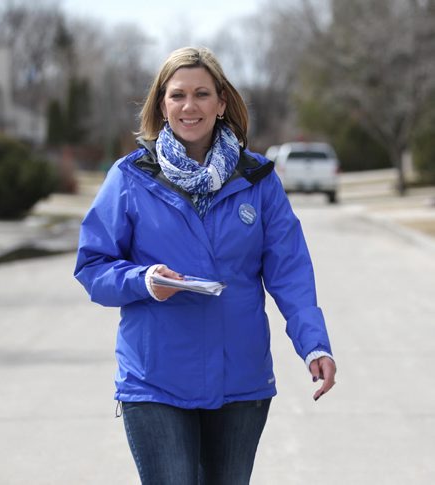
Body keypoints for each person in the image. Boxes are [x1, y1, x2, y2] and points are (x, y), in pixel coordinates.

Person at [74, 46, 336, 485]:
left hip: (241, 379)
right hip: (155, 378)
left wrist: (315, 344)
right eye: (177, 95)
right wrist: (143, 280)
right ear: (162, 104)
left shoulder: (258, 179)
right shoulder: (129, 176)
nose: (189, 106)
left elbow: (290, 271)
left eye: (201, 94)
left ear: (221, 102)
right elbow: (93, 266)